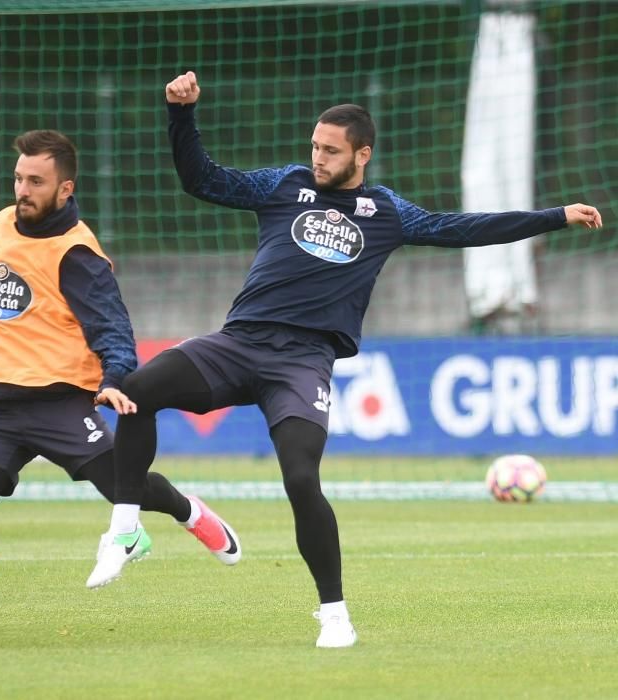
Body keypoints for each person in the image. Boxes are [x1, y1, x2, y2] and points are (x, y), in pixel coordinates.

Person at [87, 72, 603, 648]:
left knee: (302, 479)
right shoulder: (284, 185)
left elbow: (463, 228)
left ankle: (334, 615)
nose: (318, 157)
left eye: (330, 150)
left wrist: (553, 216)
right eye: (315, 146)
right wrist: (180, 114)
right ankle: (126, 528)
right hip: (239, 343)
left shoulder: (386, 212)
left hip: (302, 364)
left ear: (362, 154)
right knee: (134, 391)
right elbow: (201, 180)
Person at [0, 129, 242, 646]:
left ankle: (191, 513)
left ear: (65, 189)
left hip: (60, 404)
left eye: (35, 182)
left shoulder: (78, 254)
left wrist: (115, 380)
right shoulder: (6, 221)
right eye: (18, 179)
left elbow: (113, 327)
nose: (22, 190)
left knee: (127, 488)